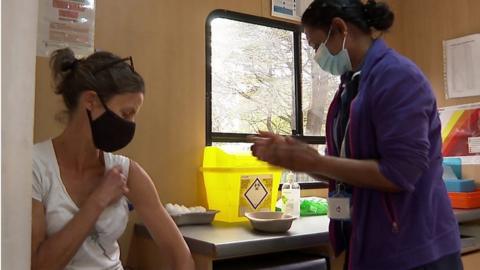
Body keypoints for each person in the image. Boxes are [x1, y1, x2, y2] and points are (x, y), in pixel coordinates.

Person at [249, 0, 463, 269]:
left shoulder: (398, 77)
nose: (317, 55)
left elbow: (401, 172)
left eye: (317, 46)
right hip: (371, 243)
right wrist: (295, 156)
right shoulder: (351, 87)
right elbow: (345, 169)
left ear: (339, 28)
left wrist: (311, 161)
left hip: (416, 249)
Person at [31, 48, 195, 270]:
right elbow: (38, 265)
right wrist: (98, 200)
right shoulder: (34, 166)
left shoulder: (128, 172)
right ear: (91, 101)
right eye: (126, 113)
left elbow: (181, 256)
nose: (130, 124)